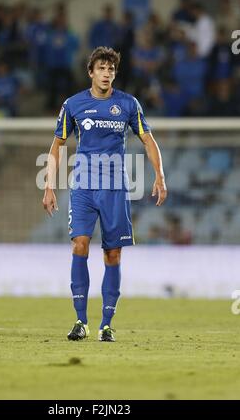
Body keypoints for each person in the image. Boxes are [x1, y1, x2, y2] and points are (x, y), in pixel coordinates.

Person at [42, 47, 167, 342]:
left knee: (112, 253)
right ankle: (80, 321)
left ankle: (106, 324)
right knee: (80, 246)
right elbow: (57, 145)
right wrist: (49, 185)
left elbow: (148, 140)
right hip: (83, 187)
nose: (106, 73)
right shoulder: (73, 104)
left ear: (114, 73)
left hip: (115, 188)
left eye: (111, 69)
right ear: (91, 72)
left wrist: (160, 176)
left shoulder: (127, 104)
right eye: (101, 68)